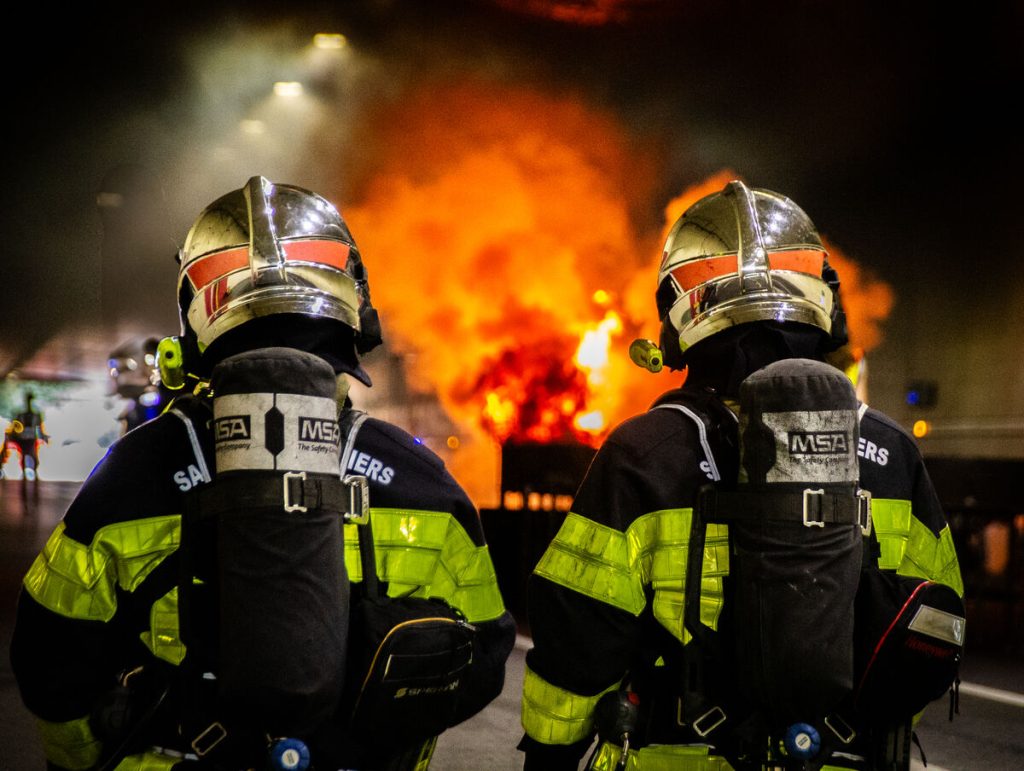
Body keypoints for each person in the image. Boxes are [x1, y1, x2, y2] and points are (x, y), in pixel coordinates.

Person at [11, 176, 516, 771]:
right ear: (354, 309)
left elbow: (48, 659)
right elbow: (483, 657)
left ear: (196, 317)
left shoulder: (132, 472)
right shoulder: (419, 478)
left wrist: (85, 760)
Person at [518, 181, 964, 770]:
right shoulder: (891, 452)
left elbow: (578, 641)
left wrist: (549, 757)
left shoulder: (642, 453)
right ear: (820, 296)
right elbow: (933, 628)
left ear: (681, 307)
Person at [7, 390, 49, 484]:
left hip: (30, 439)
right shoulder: (21, 415)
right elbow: (15, 426)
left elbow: (39, 428)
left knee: (32, 456)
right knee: (25, 455)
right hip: (23, 439)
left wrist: (43, 437)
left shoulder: (35, 415)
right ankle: (26, 474)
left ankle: (33, 474)